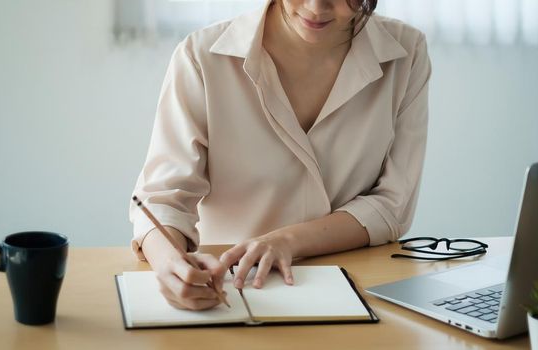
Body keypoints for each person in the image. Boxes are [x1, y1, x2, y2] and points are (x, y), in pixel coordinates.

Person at [129, 0, 430, 311]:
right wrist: (169, 264)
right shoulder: (201, 56)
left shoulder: (406, 53)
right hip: (232, 291)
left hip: (358, 287)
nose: (317, 7)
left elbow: (393, 205)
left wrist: (287, 241)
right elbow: (163, 199)